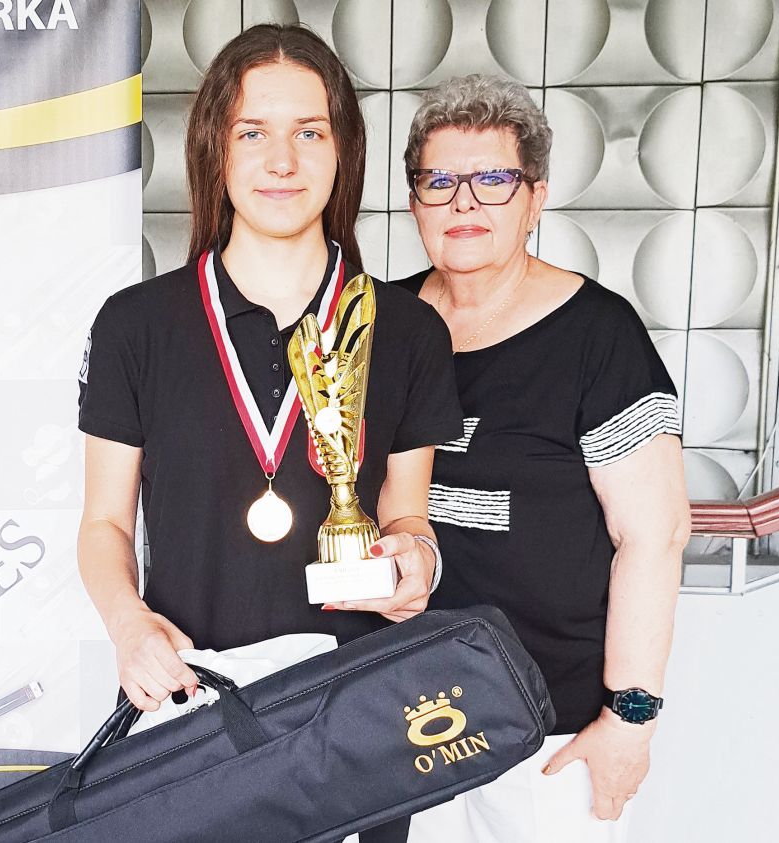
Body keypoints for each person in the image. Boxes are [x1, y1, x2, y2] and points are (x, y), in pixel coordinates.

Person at [76, 25, 462, 843]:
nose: (281, 161)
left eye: (309, 132)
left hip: (356, 720)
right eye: (252, 132)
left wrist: (418, 563)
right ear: (214, 148)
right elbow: (104, 521)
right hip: (190, 710)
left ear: (343, 150)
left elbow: (409, 514)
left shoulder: (407, 330)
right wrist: (128, 624)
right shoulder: (135, 327)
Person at [394, 75, 691, 843]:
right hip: (397, 713)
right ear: (414, 200)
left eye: (493, 179)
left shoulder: (599, 334)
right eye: (439, 181)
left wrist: (630, 716)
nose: (464, 203)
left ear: (535, 199)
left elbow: (654, 535)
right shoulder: (382, 324)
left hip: (552, 729)